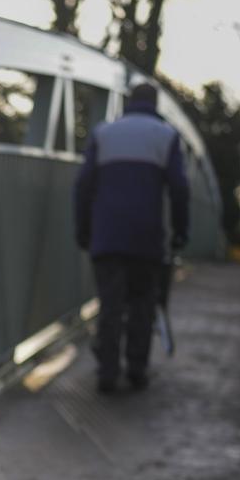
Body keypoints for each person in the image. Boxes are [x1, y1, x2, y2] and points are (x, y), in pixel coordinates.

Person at [74, 81, 189, 393]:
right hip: (146, 239)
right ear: (155, 104)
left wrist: (83, 229)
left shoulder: (104, 133)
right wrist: (180, 232)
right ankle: (136, 369)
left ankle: (107, 372)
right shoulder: (166, 136)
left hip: (107, 236)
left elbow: (83, 187)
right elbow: (179, 189)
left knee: (110, 305)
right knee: (142, 304)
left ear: (128, 102)